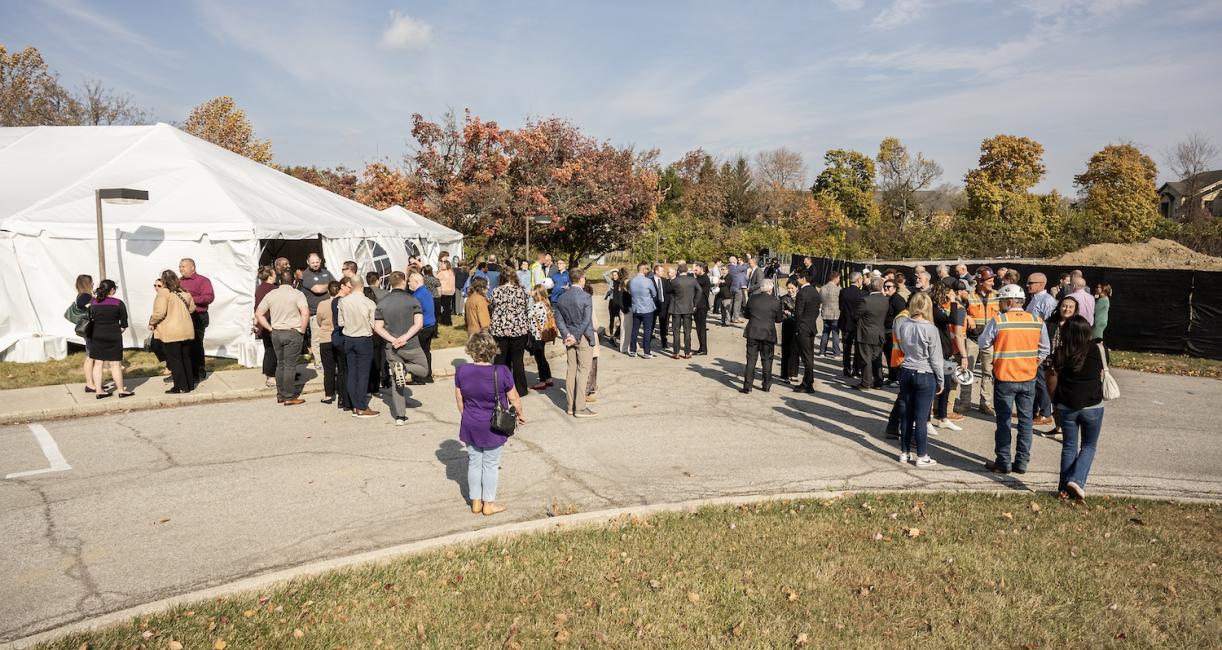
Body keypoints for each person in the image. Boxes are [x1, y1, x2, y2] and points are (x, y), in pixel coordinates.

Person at [980, 284, 1050, 475]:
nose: (1000, 305)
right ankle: (1022, 462)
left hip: (1005, 378)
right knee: (1026, 422)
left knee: (1003, 422)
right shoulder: (1037, 321)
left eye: (1001, 301)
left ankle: (1003, 462)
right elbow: (1045, 349)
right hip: (1028, 377)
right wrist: (1033, 364)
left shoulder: (999, 321)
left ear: (1009, 301)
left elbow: (983, 342)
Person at [453, 331, 524, 517]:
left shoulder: (461, 370)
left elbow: (459, 400)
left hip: (470, 422)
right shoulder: (501, 372)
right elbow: (514, 397)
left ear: (471, 350)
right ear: (492, 350)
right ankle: (488, 504)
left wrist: (468, 416)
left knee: (474, 463)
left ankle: (476, 501)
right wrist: (520, 414)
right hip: (493, 425)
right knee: (491, 465)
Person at [1047, 315, 1106, 500]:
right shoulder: (1098, 350)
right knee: (1088, 446)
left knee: (1069, 447)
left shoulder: (1060, 352)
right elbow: (1103, 372)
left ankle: (1063, 489)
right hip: (1093, 405)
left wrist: (1054, 401)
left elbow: (1052, 376)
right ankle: (1077, 481)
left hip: (1067, 405)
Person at [373, 272, 430, 425]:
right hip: (411, 344)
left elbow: (377, 327)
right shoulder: (413, 300)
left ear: (390, 283)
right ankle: (404, 368)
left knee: (396, 380)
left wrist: (394, 340)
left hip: (391, 346)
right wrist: (404, 338)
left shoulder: (382, 303)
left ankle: (400, 416)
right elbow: (418, 324)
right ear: (403, 282)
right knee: (424, 369)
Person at [895, 292, 944, 466]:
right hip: (925, 373)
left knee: (906, 415)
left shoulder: (904, 325)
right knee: (921, 418)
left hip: (907, 370)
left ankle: (904, 452)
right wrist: (941, 379)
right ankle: (922, 455)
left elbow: (902, 347)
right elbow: (936, 358)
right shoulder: (931, 329)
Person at [255, 269, 310, 405]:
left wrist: (269, 328)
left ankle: (281, 394)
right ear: (294, 281)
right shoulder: (297, 294)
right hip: (292, 331)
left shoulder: (271, 294)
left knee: (280, 365)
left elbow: (258, 313)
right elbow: (305, 313)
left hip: (276, 332)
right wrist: (302, 330)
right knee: (290, 366)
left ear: (280, 281)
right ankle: (289, 396)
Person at [555, 269, 598, 417]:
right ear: (581, 279)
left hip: (569, 337)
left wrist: (567, 334)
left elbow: (559, 320)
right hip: (583, 337)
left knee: (571, 370)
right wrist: (575, 336)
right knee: (583, 371)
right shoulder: (586, 296)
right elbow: (587, 320)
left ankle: (570, 406)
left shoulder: (561, 297)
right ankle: (579, 407)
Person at [148, 270, 197, 394]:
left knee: (175, 359)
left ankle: (180, 387)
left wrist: (152, 322)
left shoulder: (163, 293)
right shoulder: (184, 292)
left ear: (163, 281)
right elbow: (192, 309)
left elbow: (159, 313)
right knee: (185, 358)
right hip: (186, 329)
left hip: (171, 331)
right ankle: (189, 384)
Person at [338, 275, 380, 418]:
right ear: (362, 286)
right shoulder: (369, 303)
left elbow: (340, 322)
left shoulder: (343, 302)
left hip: (349, 338)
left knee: (352, 372)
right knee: (363, 374)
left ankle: (355, 404)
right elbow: (374, 324)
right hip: (364, 338)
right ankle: (361, 406)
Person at [930, 281, 968, 430]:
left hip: (945, 352)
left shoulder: (938, 308)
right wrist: (953, 302)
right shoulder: (934, 309)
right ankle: (928, 419)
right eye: (950, 293)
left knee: (945, 387)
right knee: (935, 386)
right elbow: (951, 319)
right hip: (938, 353)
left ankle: (943, 418)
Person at [88, 279, 133, 398]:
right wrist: (117, 331)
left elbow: (91, 318)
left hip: (97, 335)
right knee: (115, 364)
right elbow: (124, 324)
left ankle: (99, 391)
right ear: (112, 290)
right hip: (113, 335)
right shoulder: (118, 303)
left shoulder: (93, 302)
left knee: (98, 364)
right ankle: (121, 390)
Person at [489, 268, 531, 396]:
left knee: (501, 360)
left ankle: (500, 388)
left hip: (500, 329)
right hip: (519, 329)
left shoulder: (496, 291)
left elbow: (492, 307)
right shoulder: (521, 291)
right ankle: (521, 389)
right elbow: (526, 307)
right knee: (518, 360)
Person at [964, 266, 999, 414]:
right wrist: (967, 317)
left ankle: (985, 403)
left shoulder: (997, 295)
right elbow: (959, 311)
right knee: (967, 372)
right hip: (972, 339)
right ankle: (965, 403)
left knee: (988, 372)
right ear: (980, 281)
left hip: (989, 341)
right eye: (989, 280)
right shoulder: (968, 296)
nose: (992, 283)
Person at [741, 279, 782, 393]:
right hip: (768, 333)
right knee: (767, 360)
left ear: (761, 288)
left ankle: (747, 386)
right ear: (771, 288)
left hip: (753, 332)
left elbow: (746, 314)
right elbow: (779, 319)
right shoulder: (776, 301)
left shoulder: (753, 299)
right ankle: (766, 385)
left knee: (751, 360)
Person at [179, 258, 214, 383]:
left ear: (192, 267)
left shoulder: (203, 281)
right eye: (180, 266)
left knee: (196, 344)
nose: (181, 269)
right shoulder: (178, 282)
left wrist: (190, 299)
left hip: (198, 316)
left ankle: (199, 370)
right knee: (183, 345)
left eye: (183, 266)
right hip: (182, 317)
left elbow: (209, 297)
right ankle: (183, 372)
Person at [300, 253, 335, 369]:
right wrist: (328, 286)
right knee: (317, 338)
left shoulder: (326, 272)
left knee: (330, 336)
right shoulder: (306, 274)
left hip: (329, 310)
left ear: (321, 261)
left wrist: (329, 285)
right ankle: (319, 362)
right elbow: (318, 289)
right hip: (314, 312)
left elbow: (335, 286)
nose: (315, 264)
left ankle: (329, 360)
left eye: (317, 262)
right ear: (308, 262)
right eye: (313, 262)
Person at [854, 277, 889, 390]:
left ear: (870, 287)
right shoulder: (885, 300)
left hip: (866, 333)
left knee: (866, 358)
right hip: (879, 332)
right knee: (877, 358)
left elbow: (856, 315)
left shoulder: (866, 300)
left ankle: (866, 382)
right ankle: (878, 381)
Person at [70, 274, 101, 393]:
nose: (93, 284)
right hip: (90, 330)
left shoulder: (83, 296)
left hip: (90, 330)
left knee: (92, 357)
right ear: (87, 284)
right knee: (90, 357)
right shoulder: (84, 297)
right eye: (91, 282)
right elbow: (91, 305)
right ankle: (90, 384)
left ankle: (93, 382)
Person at [792, 270, 822, 393]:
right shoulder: (815, 291)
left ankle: (807, 384)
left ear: (803, 278)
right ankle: (808, 381)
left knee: (806, 358)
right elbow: (816, 311)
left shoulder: (802, 293)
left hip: (803, 328)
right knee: (809, 357)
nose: (797, 281)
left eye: (798, 278)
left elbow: (798, 313)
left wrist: (798, 328)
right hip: (811, 326)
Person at [409, 272, 438, 383]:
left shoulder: (417, 295)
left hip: (422, 327)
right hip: (430, 325)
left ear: (416, 282)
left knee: (418, 353)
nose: (408, 283)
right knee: (426, 351)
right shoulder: (426, 291)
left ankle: (419, 377)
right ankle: (427, 375)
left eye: (410, 281)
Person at [329, 279, 352, 411]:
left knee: (343, 370)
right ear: (342, 286)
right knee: (345, 370)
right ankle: (346, 398)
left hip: (339, 337)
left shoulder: (336, 301)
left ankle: (343, 399)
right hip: (342, 336)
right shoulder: (340, 301)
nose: (350, 290)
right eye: (349, 287)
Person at [315, 282, 341, 405]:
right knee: (342, 367)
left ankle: (328, 394)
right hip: (340, 337)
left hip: (325, 337)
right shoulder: (343, 303)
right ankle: (342, 392)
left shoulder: (322, 304)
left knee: (328, 369)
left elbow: (319, 321)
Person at [527, 285, 556, 391]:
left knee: (539, 358)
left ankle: (542, 381)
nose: (532, 292)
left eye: (534, 291)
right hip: (542, 334)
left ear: (538, 293)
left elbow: (527, 316)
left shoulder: (537, 306)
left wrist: (529, 297)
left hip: (537, 335)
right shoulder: (546, 304)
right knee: (542, 357)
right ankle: (548, 378)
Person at [668, 263, 699, 359]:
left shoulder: (674, 281)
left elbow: (669, 291)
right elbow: (700, 290)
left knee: (676, 331)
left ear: (678, 271)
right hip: (688, 307)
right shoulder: (692, 280)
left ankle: (676, 352)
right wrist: (695, 303)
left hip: (676, 307)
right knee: (687, 331)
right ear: (686, 270)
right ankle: (687, 352)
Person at [254, 267, 278, 388]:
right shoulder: (273, 289)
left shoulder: (260, 288)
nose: (276, 275)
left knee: (269, 349)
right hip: (270, 322)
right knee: (272, 351)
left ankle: (271, 374)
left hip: (262, 323)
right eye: (274, 274)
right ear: (270, 275)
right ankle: (271, 376)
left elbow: (256, 306)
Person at [628, 262, 659, 358]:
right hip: (647, 309)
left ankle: (632, 350)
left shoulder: (632, 281)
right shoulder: (648, 281)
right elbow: (654, 293)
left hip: (636, 308)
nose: (648, 271)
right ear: (643, 269)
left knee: (635, 330)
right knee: (647, 330)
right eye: (647, 269)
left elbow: (630, 292)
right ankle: (647, 352)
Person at [840, 272, 867, 377]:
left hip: (846, 322)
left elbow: (840, 306)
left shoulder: (843, 292)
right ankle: (856, 368)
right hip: (858, 324)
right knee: (857, 348)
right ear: (859, 280)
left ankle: (846, 368)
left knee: (846, 348)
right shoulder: (863, 294)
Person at [882, 278, 907, 386]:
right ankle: (892, 376)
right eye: (885, 286)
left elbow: (901, 316)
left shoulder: (898, 300)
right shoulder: (888, 298)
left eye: (889, 287)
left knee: (895, 355)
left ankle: (897, 378)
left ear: (895, 288)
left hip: (893, 332)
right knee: (889, 355)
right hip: (887, 331)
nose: (886, 288)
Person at [818, 272, 841, 357]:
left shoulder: (823, 288)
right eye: (839, 278)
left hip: (825, 313)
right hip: (835, 313)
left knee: (825, 332)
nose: (839, 280)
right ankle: (836, 352)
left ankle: (822, 351)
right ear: (835, 278)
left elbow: (820, 300)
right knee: (835, 333)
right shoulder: (838, 289)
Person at [780, 281, 799, 382]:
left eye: (792, 288)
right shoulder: (783, 298)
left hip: (797, 326)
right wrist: (788, 313)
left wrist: (790, 313)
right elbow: (781, 313)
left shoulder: (800, 298)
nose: (790, 290)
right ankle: (785, 374)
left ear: (796, 288)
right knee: (786, 350)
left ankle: (794, 373)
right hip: (787, 326)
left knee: (795, 351)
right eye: (788, 288)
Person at [693, 262, 712, 355]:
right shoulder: (700, 278)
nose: (695, 271)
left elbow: (693, 282)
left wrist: (692, 273)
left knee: (701, 328)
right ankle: (702, 347)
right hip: (699, 306)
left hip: (701, 306)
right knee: (699, 327)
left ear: (702, 269)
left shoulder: (703, 278)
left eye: (696, 269)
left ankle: (703, 348)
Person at [652, 264, 672, 348]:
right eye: (661, 271)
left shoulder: (665, 281)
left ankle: (664, 342)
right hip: (653, 306)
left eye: (663, 271)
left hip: (663, 306)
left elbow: (668, 293)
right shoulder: (650, 280)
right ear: (656, 271)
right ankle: (647, 343)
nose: (663, 272)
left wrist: (667, 304)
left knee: (663, 325)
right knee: (651, 324)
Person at [727, 256, 748, 323]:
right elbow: (745, 267)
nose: (738, 261)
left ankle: (730, 317)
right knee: (737, 303)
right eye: (736, 260)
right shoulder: (735, 268)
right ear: (734, 261)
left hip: (732, 287)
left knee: (732, 303)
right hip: (737, 287)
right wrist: (748, 259)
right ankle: (736, 318)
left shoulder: (729, 267)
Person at [436, 260, 456, 327]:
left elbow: (436, 278)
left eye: (442, 264)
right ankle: (448, 321)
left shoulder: (442, 273)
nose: (441, 265)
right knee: (447, 307)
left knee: (445, 307)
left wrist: (439, 270)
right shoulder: (451, 272)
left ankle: (446, 321)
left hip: (444, 291)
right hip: (451, 291)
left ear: (446, 265)